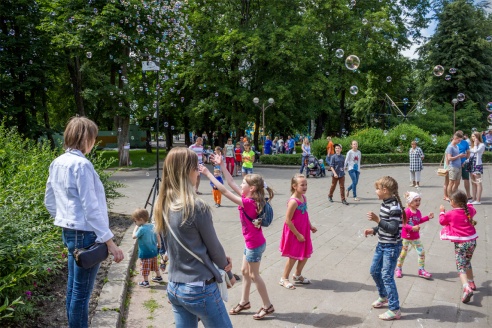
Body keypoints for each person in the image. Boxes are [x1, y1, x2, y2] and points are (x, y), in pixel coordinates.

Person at [44, 117, 124, 328]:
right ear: (85, 137)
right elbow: (91, 208)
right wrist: (110, 242)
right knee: (80, 293)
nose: (94, 142)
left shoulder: (57, 162)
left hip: (69, 232)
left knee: (73, 289)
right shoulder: (82, 165)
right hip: (86, 234)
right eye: (93, 137)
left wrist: (66, 219)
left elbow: (49, 202)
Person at [153, 148, 236, 328]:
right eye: (196, 167)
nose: (199, 171)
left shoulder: (162, 204)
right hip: (199, 288)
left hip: (175, 286)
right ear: (187, 171)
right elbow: (215, 248)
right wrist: (227, 271)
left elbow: (169, 247)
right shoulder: (196, 206)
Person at [201, 154, 275, 320]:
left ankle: (267, 305)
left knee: (255, 275)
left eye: (244, 183)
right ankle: (244, 302)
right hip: (251, 243)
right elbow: (231, 183)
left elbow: (225, 190)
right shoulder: (248, 197)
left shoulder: (248, 202)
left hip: (254, 245)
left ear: (252, 188)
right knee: (244, 271)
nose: (240, 184)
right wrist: (222, 165)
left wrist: (208, 173)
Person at [363, 176, 405, 321]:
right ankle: (384, 296)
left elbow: (393, 229)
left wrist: (377, 220)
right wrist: (374, 229)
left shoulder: (393, 207)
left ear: (385, 190)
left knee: (387, 276)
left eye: (377, 189)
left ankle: (394, 309)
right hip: (382, 244)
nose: (376, 191)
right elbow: (385, 225)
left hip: (391, 247)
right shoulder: (386, 203)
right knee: (374, 271)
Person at [439, 190, 478, 303]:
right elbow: (473, 209)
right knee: (467, 261)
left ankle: (466, 288)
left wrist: (442, 212)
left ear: (454, 202)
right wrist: (468, 202)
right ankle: (471, 282)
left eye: (450, 200)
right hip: (472, 241)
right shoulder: (469, 209)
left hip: (461, 243)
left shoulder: (451, 213)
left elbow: (442, 221)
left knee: (461, 266)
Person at [279, 174, 317, 290]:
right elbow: (288, 220)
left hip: (304, 230)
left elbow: (305, 214)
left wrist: (310, 226)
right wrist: (297, 234)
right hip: (294, 232)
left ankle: (297, 274)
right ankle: (284, 278)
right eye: (302, 185)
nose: (305, 187)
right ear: (294, 186)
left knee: (305, 253)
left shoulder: (303, 198)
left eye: (306, 184)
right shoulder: (293, 202)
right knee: (293, 256)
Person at [395, 192, 433, 279]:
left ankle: (421, 270)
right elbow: (403, 224)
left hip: (415, 237)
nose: (418, 202)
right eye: (416, 200)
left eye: (419, 200)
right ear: (410, 202)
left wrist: (427, 217)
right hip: (405, 237)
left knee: (421, 252)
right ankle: (398, 268)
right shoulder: (406, 212)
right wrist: (412, 228)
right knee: (403, 254)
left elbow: (418, 221)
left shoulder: (418, 212)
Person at [132, 208, 162, 287]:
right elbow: (158, 235)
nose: (135, 222)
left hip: (145, 253)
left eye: (135, 221)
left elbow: (134, 236)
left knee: (145, 267)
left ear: (141, 219)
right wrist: (159, 244)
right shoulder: (153, 226)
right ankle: (158, 277)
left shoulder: (142, 229)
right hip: (154, 251)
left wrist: (135, 228)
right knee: (155, 265)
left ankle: (145, 282)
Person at [445, 132, 466, 199]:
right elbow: (449, 158)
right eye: (459, 140)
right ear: (455, 138)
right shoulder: (450, 147)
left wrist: (461, 156)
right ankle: (450, 197)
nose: (460, 142)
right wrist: (459, 156)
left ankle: (454, 196)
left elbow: (457, 156)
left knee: (457, 182)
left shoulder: (456, 146)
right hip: (453, 167)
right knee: (451, 182)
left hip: (459, 166)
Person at [468, 132, 485, 205]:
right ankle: (474, 198)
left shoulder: (482, 145)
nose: (473, 138)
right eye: (472, 136)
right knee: (473, 182)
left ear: (478, 137)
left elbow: (475, 151)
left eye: (474, 136)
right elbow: (470, 155)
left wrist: (475, 145)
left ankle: (478, 200)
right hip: (471, 164)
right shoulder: (471, 145)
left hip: (477, 165)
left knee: (478, 182)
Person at [456, 130, 471, 199]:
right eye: (459, 135)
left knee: (466, 179)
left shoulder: (465, 142)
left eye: (461, 135)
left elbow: (468, 152)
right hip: (456, 164)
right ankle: (455, 195)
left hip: (464, 163)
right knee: (456, 181)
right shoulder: (452, 142)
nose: (460, 137)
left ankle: (468, 195)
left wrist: (467, 161)